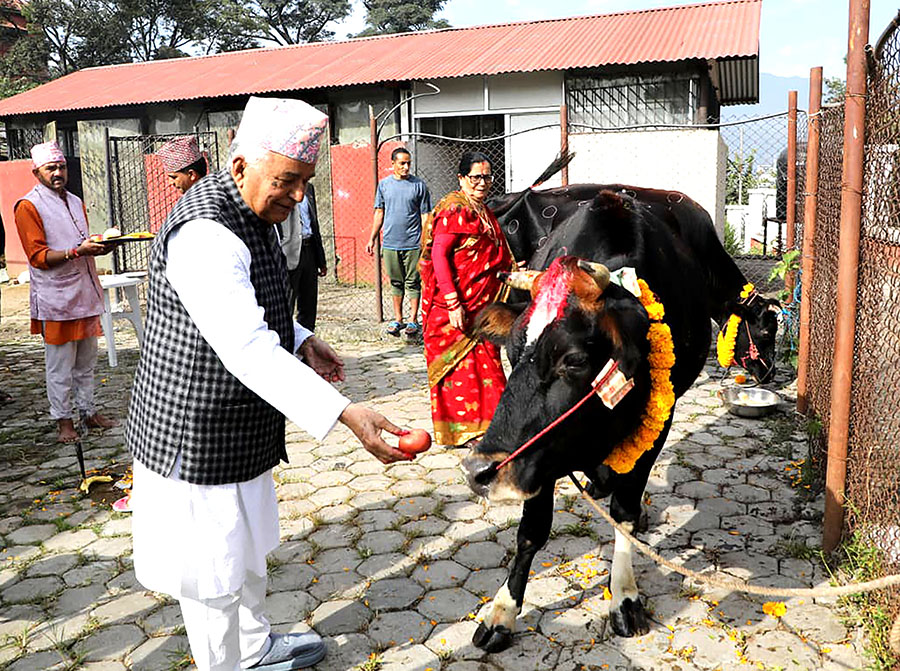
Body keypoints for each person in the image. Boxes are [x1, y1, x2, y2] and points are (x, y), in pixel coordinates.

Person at [126, 96, 412, 671]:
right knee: (214, 575)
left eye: (306, 181)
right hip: (195, 430)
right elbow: (246, 346)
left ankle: (255, 650)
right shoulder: (206, 232)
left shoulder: (253, 215)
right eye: (288, 180)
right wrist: (347, 414)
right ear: (240, 167)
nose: (299, 195)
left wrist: (302, 336)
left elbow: (255, 305)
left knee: (249, 551)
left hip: (239, 425)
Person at [14, 141, 117, 443]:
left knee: (86, 361)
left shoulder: (74, 201)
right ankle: (63, 422)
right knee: (60, 366)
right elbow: (38, 257)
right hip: (56, 300)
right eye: (51, 168)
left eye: (61, 167)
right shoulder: (28, 205)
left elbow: (80, 243)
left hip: (85, 293)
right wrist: (76, 251)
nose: (58, 173)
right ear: (37, 173)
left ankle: (88, 411)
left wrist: (99, 246)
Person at [419, 151, 515, 447]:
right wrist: (452, 302)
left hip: (483, 307)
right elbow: (439, 255)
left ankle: (490, 427)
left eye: (487, 177)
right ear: (461, 178)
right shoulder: (454, 210)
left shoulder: (483, 210)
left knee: (489, 365)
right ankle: (463, 431)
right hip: (455, 307)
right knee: (458, 371)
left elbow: (493, 255)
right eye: (475, 177)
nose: (482, 183)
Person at [365, 147, 431, 337]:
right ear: (392, 163)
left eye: (408, 163)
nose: (406, 166)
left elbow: (425, 215)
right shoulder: (384, 185)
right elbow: (379, 213)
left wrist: (425, 240)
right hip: (390, 243)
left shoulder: (419, 185)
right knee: (396, 282)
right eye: (402, 163)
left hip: (413, 243)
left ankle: (413, 320)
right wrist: (372, 238)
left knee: (413, 281)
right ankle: (398, 319)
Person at [277, 181, 326, 331]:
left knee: (309, 304)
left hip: (309, 249)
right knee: (287, 305)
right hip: (289, 252)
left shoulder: (309, 188)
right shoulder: (280, 188)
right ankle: (286, 346)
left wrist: (320, 258)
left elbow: (313, 223)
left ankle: (307, 346)